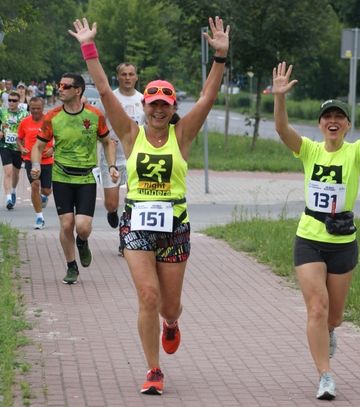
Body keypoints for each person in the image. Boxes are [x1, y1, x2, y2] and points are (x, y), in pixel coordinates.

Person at [69, 16, 229, 395]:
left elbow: (207, 97)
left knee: (168, 307)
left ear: (172, 107)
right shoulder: (130, 133)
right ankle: (154, 370)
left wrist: (220, 56)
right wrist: (88, 48)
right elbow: (106, 90)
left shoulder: (183, 134)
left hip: (175, 226)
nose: (157, 110)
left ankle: (171, 325)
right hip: (137, 223)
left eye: (164, 104)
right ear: (145, 105)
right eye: (152, 103)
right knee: (147, 295)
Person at [272, 61, 360, 400]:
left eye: (339, 117)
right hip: (309, 237)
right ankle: (325, 376)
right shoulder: (309, 150)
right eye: (327, 117)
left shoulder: (355, 153)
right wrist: (279, 98)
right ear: (320, 124)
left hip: (343, 241)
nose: (332, 122)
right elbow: (282, 129)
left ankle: (330, 331)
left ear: (347, 125)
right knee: (316, 307)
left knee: (334, 315)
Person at [30, 73, 119, 284]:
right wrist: (36, 166)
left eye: (65, 86)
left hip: (86, 177)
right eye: (59, 85)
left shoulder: (95, 115)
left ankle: (82, 242)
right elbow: (38, 146)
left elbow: (108, 142)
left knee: (83, 227)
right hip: (61, 176)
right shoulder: (52, 117)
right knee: (67, 224)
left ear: (77, 90)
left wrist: (112, 166)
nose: (60, 89)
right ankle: (71, 266)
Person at [98, 62, 145, 251]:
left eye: (131, 74)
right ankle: (111, 212)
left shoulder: (143, 100)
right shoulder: (110, 99)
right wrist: (104, 139)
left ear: (136, 77)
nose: (127, 78)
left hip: (135, 156)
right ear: (118, 77)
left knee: (134, 200)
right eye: (123, 74)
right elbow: (99, 124)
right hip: (111, 157)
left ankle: (125, 237)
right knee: (111, 202)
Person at [17, 97, 53, 229]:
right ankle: (39, 218)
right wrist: (21, 148)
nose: (36, 111)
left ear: (43, 108)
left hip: (47, 160)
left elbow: (60, 138)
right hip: (30, 160)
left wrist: (52, 149)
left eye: (38, 108)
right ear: (29, 108)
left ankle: (44, 196)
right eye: (33, 108)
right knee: (35, 185)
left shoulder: (49, 122)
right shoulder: (25, 122)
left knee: (47, 190)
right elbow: (19, 139)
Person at [0, 91, 28, 209]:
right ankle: (8, 199)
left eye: (14, 101)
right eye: (9, 100)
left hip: (18, 147)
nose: (11, 103)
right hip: (5, 145)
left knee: (16, 173)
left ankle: (13, 190)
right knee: (8, 172)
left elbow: (28, 128)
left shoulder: (24, 114)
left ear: (19, 101)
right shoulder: (2, 112)